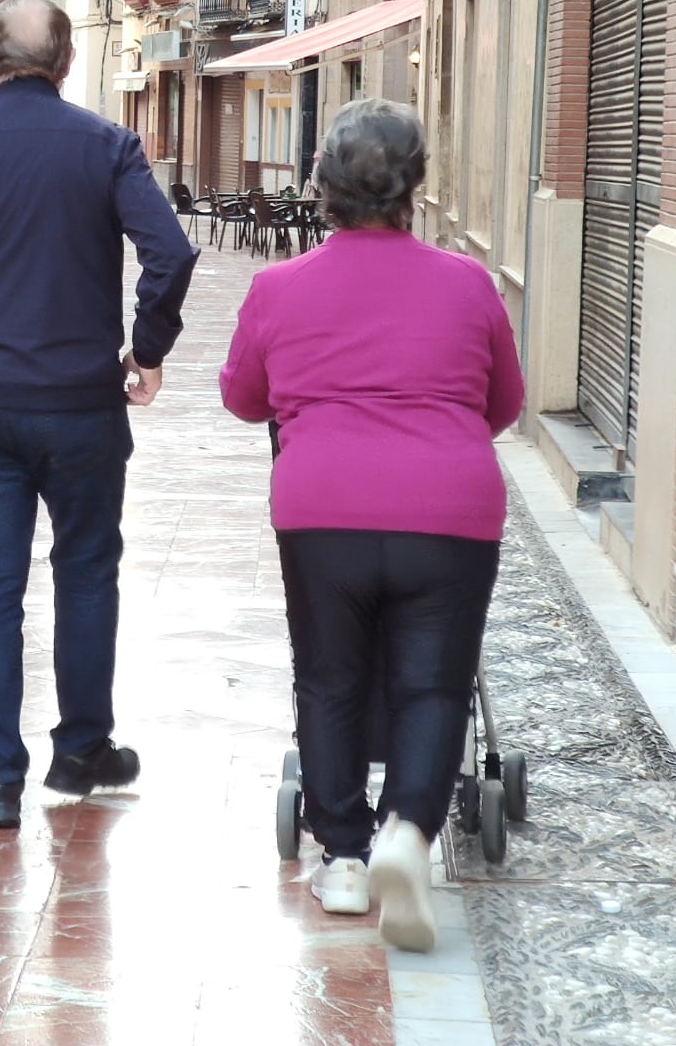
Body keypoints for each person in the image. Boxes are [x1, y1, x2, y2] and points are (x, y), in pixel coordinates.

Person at [0, 0, 197, 831]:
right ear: (66, 65)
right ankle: (83, 748)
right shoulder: (106, 147)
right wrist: (147, 346)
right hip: (82, 405)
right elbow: (169, 251)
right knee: (86, 572)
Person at [219, 98, 522, 954]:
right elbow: (504, 404)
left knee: (329, 677)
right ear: (413, 187)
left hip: (321, 510)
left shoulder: (279, 287)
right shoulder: (468, 284)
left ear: (323, 190)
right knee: (434, 684)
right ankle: (408, 836)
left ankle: (344, 859)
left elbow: (244, 399)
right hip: (450, 511)